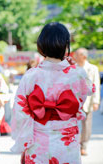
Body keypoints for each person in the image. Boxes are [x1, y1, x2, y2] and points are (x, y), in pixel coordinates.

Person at [11, 22, 94, 163]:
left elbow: (20, 112)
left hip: (38, 140)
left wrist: (24, 139)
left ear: (41, 44)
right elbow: (84, 98)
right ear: (66, 44)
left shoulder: (31, 75)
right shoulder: (78, 74)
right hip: (67, 140)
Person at [74, 48, 101, 156]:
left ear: (84, 56)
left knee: (86, 126)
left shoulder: (92, 69)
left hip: (87, 102)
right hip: (74, 102)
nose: (75, 56)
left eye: (77, 54)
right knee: (73, 125)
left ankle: (83, 146)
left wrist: (96, 101)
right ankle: (74, 146)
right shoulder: (73, 69)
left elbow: (96, 85)